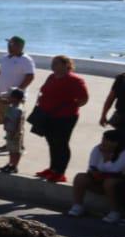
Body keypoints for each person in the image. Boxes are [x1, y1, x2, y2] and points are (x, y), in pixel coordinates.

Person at [33, 54, 88, 183]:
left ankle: (60, 173)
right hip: (47, 115)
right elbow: (43, 91)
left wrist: (69, 107)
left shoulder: (74, 80)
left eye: (56, 63)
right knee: (52, 142)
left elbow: (84, 98)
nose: (53, 66)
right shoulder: (52, 77)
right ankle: (53, 169)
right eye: (53, 63)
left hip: (65, 118)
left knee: (61, 144)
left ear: (66, 65)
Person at [68, 128, 125, 222]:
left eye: (106, 140)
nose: (103, 142)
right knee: (80, 177)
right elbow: (92, 166)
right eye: (103, 139)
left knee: (109, 182)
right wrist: (96, 172)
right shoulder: (98, 149)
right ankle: (78, 206)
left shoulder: (123, 153)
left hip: (116, 183)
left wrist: (106, 159)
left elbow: (115, 171)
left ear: (115, 143)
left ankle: (115, 212)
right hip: (99, 179)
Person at [0, 36, 37, 134]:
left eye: (11, 44)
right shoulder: (5, 57)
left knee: (15, 122)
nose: (8, 46)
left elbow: (30, 76)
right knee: (5, 120)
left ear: (20, 46)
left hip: (16, 97)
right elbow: (0, 73)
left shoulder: (26, 59)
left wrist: (18, 90)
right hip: (3, 95)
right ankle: (8, 143)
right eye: (8, 44)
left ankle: (18, 146)